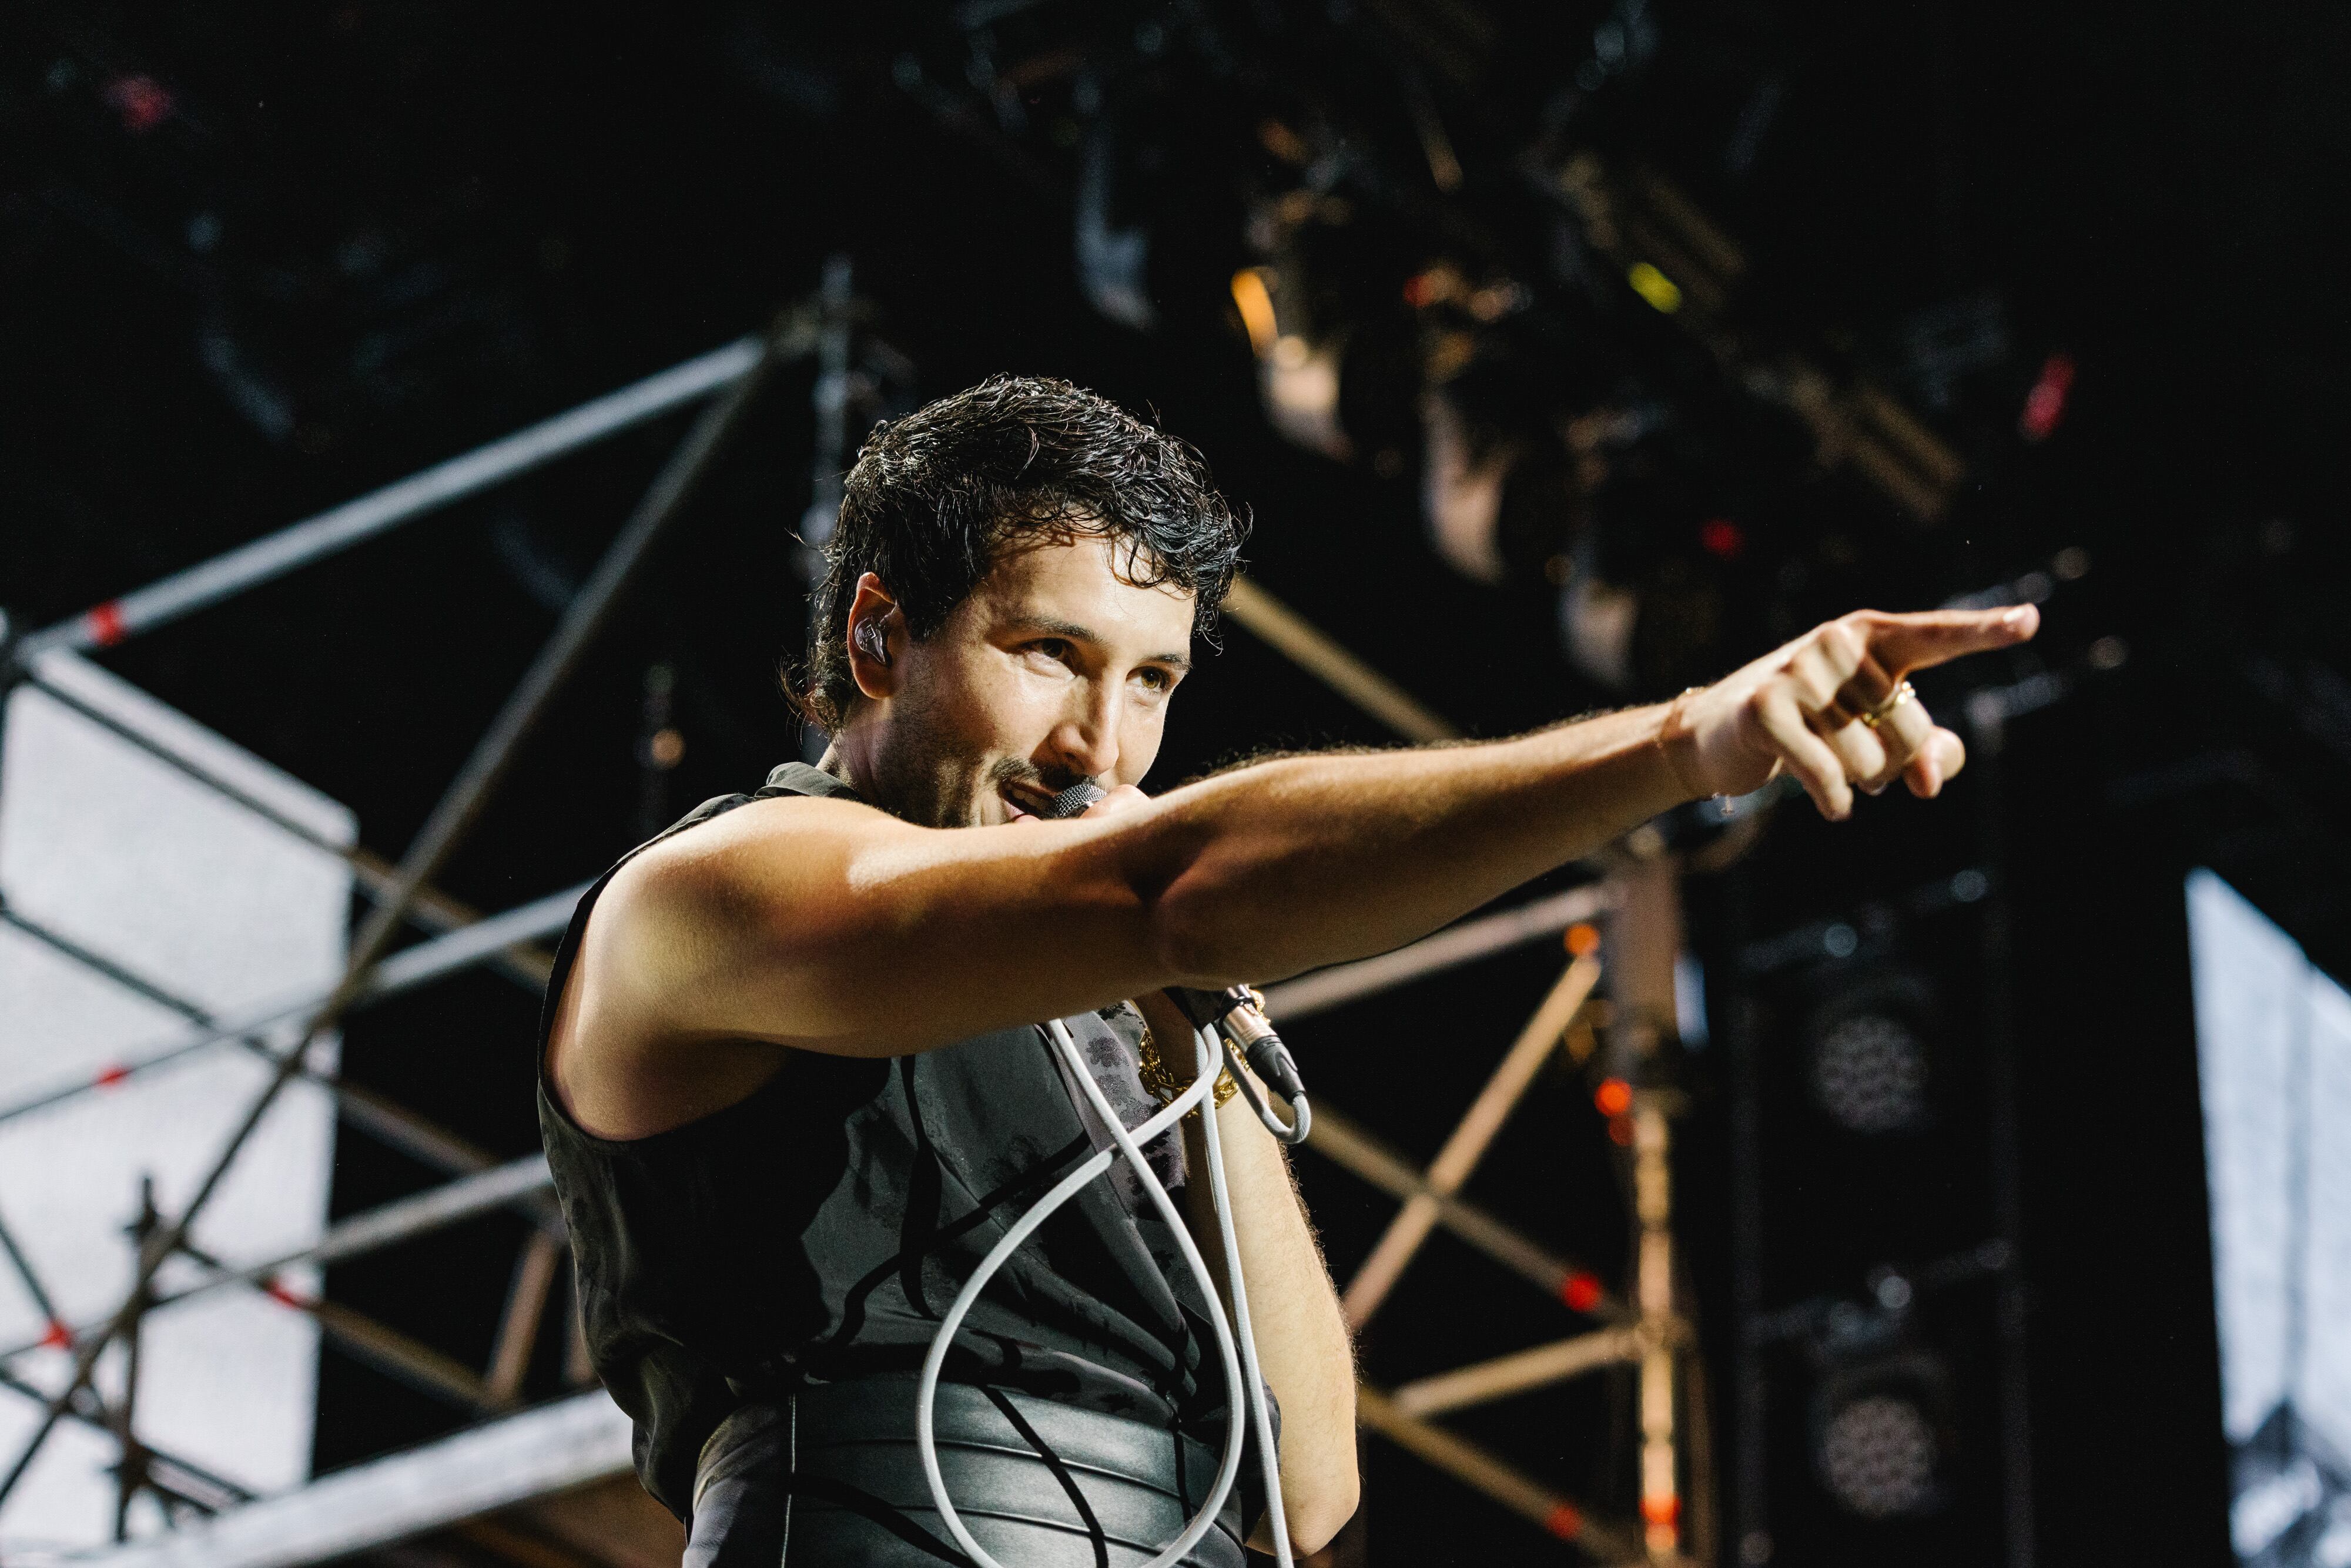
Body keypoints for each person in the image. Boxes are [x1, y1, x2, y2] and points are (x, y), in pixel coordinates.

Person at [537, 374, 2037, 1567]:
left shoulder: (1119, 1000)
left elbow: (1310, 1493)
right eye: (1051, 654)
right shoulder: (717, 890)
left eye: (1153, 683)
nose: (1098, 746)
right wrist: (1677, 742)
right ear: (879, 635)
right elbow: (1173, 882)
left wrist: (1200, 1035)